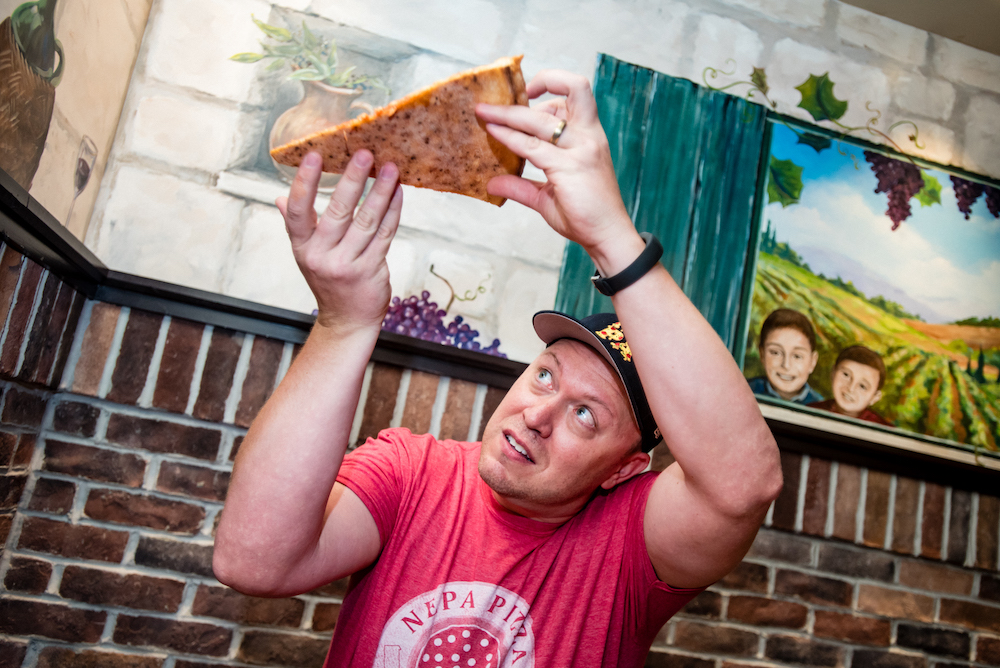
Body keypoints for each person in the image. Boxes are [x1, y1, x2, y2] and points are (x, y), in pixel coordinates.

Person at [213, 69, 782, 667]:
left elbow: (744, 485)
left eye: (585, 415)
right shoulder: (411, 474)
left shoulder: (632, 544)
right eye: (546, 376)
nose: (539, 414)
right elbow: (253, 561)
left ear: (624, 469)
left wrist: (611, 235)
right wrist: (343, 324)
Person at [747, 308, 824, 404]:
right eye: (776, 353)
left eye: (797, 356)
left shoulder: (820, 406)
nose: (786, 365)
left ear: (812, 362)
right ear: (762, 354)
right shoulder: (744, 391)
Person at [809, 345, 891, 425]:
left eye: (862, 386)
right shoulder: (812, 411)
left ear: (875, 397)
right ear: (833, 372)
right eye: (846, 375)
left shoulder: (883, 430)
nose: (851, 388)